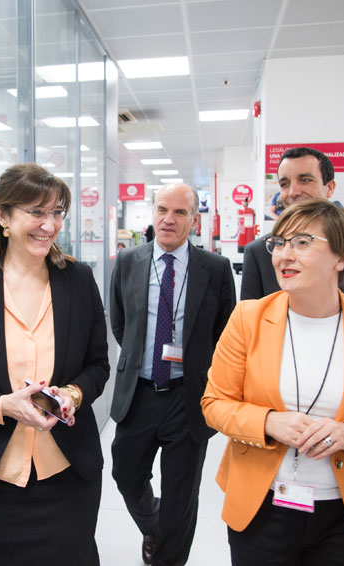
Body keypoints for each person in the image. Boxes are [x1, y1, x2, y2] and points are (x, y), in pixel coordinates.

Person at [202, 199, 344, 565]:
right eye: (280, 243)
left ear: (341, 258)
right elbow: (214, 404)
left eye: (302, 243)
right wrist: (270, 422)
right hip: (263, 506)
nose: (284, 255)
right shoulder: (248, 318)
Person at [0, 163, 109, 566]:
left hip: (65, 476)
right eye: (37, 212)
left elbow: (98, 365)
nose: (49, 225)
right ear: (3, 216)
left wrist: (73, 394)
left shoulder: (78, 280)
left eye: (57, 213)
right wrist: (3, 406)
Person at [109, 182, 236, 565]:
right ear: (152, 213)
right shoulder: (128, 261)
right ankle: (154, 526)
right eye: (163, 209)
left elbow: (225, 331)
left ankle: (167, 557)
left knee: (182, 495)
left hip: (187, 396)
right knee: (126, 474)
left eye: (180, 212)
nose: (169, 219)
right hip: (139, 392)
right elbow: (120, 323)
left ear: (195, 220)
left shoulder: (215, 269)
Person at [240, 147, 344, 313]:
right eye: (285, 184)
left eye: (305, 180)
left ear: (329, 187)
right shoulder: (260, 252)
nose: (293, 192)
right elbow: (249, 326)